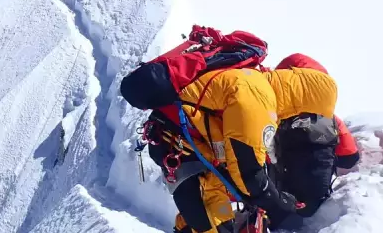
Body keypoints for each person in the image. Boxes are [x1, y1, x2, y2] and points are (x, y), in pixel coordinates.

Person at [132, 39, 337, 233]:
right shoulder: (258, 97)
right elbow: (247, 170)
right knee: (208, 223)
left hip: (188, 147)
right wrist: (277, 200)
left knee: (206, 216)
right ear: (304, 101)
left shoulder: (255, 82)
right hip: (181, 148)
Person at [265, 54, 360, 230]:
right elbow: (350, 157)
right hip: (316, 203)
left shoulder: (272, 118)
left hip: (280, 200)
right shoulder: (331, 119)